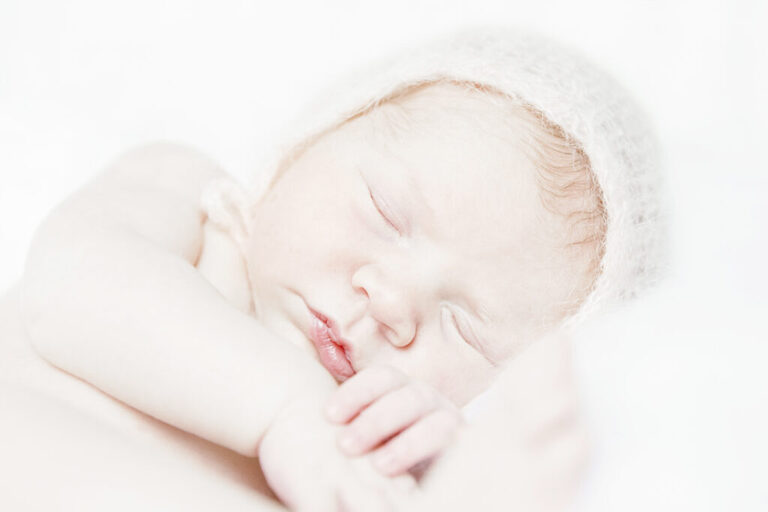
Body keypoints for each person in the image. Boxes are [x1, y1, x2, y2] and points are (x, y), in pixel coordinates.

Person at [12, 27, 662, 510]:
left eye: (465, 328)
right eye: (386, 213)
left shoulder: (370, 443)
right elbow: (67, 290)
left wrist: (433, 464)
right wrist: (285, 408)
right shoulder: (193, 202)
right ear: (307, 144)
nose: (392, 302)